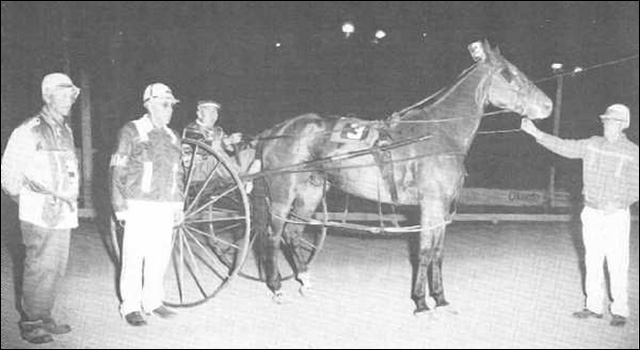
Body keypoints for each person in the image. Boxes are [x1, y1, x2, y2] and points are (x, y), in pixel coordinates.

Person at [521, 103, 639, 327]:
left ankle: (620, 310)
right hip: (591, 211)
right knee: (592, 260)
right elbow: (564, 146)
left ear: (622, 124)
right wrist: (536, 133)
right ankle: (593, 307)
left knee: (617, 262)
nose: (606, 124)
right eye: (605, 120)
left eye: (611, 121)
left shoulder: (633, 152)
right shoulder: (592, 144)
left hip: (616, 215)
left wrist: (621, 202)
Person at [1, 73, 80, 344]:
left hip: (63, 212)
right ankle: (31, 321)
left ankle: (44, 314)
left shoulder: (65, 129)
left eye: (71, 94)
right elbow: (9, 176)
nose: (69, 99)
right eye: (63, 93)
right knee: (39, 265)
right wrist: (29, 202)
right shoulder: (29, 129)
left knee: (56, 265)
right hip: (38, 211)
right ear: (48, 96)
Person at [110, 82, 184, 326]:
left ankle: (153, 301)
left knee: (159, 256)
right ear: (149, 105)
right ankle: (130, 306)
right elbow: (117, 170)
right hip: (138, 205)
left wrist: (178, 206)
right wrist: (119, 207)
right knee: (134, 256)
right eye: (164, 104)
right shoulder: (132, 130)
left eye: (171, 106)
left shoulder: (173, 136)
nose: (169, 110)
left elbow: (178, 174)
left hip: (164, 206)